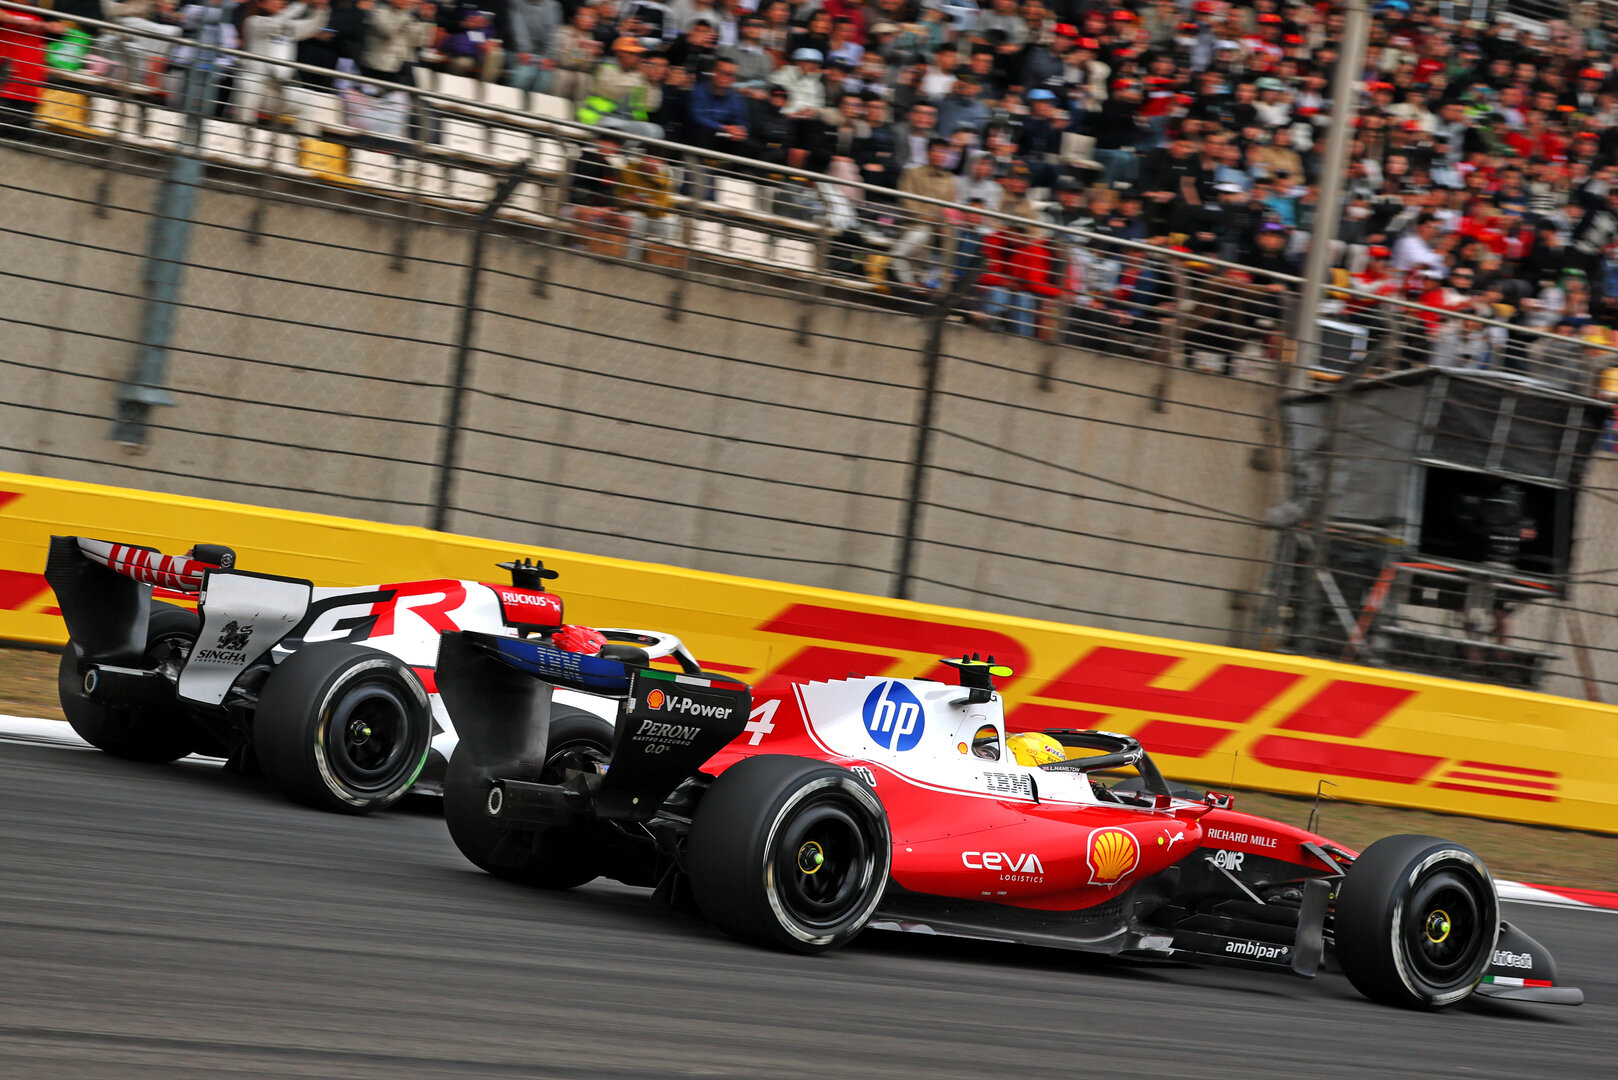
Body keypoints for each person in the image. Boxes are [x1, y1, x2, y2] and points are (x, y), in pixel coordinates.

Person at [235, 0, 329, 129]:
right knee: (250, 84)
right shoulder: (254, 22)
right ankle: (240, 129)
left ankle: (306, 143)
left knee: (308, 100)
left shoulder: (288, 27)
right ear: (261, 3)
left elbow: (312, 27)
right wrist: (301, 4)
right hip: (255, 84)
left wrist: (321, 8)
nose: (279, 2)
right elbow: (276, 23)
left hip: (276, 89)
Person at [577, 35, 663, 138]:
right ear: (619, 53)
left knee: (655, 131)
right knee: (616, 128)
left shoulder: (637, 74)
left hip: (625, 122)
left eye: (638, 54)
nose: (637, 58)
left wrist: (652, 84)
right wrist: (640, 76)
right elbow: (613, 91)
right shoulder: (605, 66)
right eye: (632, 53)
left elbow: (649, 106)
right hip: (598, 119)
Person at [360, 0, 436, 87]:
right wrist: (404, 13)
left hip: (401, 66)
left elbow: (420, 41)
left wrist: (426, 19)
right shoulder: (380, 11)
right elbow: (387, 31)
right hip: (379, 66)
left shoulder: (410, 16)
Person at [687, 56, 747, 151]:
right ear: (713, 73)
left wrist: (739, 131)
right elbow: (697, 117)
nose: (727, 78)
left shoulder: (735, 96)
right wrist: (723, 128)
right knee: (702, 132)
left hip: (724, 136)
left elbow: (741, 120)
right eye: (723, 73)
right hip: (700, 134)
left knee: (745, 140)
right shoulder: (698, 91)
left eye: (731, 75)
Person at [504, 0, 562, 93]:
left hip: (543, 54)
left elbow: (553, 34)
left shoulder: (553, 6)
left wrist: (549, 57)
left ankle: (533, 106)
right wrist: (525, 50)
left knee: (545, 77)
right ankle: (511, 102)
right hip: (517, 51)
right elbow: (519, 29)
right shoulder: (516, 3)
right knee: (525, 74)